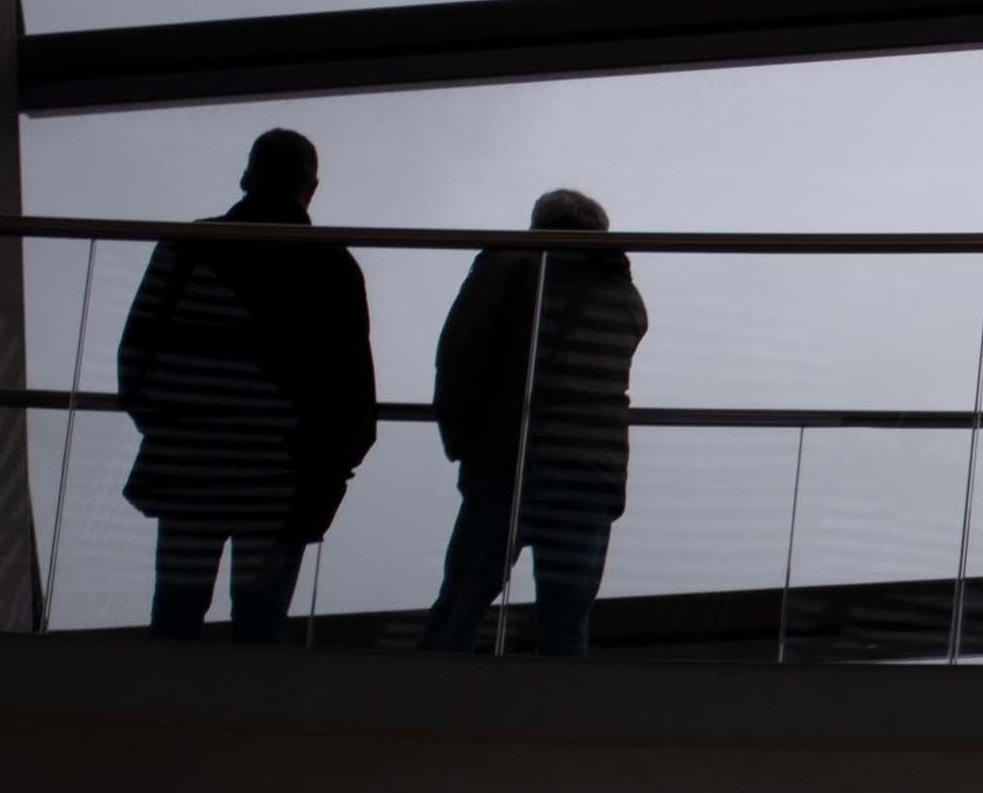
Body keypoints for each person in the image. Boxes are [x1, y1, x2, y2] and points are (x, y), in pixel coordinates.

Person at [116, 128, 378, 641]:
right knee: (260, 620)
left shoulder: (189, 247)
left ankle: (162, 713)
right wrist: (330, 467)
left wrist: (165, 423)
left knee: (176, 610)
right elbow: (353, 394)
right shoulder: (334, 266)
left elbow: (138, 350)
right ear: (311, 188)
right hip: (284, 471)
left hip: (191, 458)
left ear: (246, 177)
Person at [419, 187, 650, 657]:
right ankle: (559, 721)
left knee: (463, 602)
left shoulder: (511, 265)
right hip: (591, 473)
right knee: (567, 621)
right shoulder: (625, 295)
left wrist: (463, 442)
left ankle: (429, 708)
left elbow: (458, 352)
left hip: (512, 461)